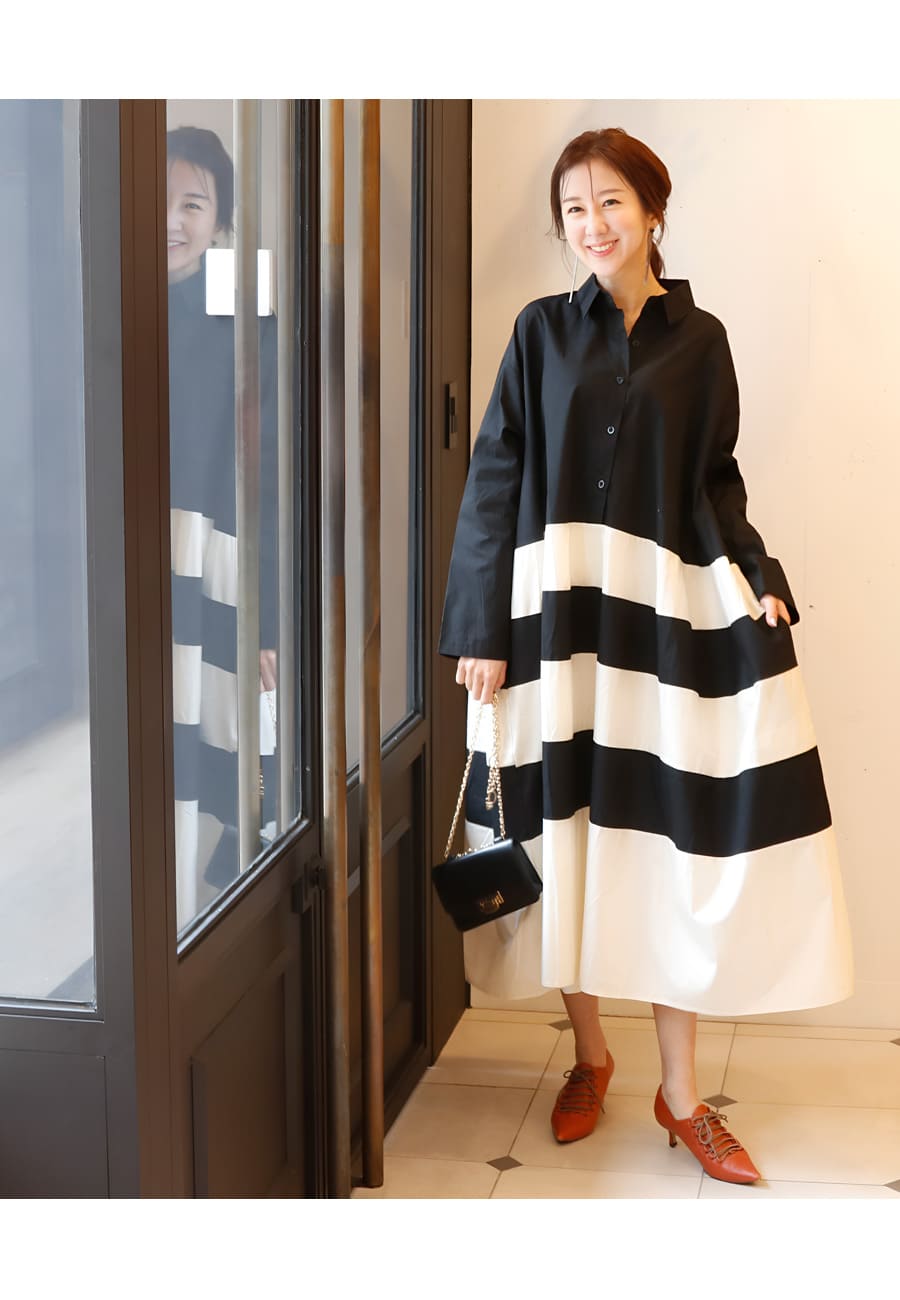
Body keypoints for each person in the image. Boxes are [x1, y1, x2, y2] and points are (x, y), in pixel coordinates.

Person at [438, 127, 853, 1185]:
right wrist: (479, 629)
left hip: (660, 624)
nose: (592, 224)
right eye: (574, 209)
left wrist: (758, 573)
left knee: (675, 843)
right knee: (566, 832)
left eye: (611, 202)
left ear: (653, 211)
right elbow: (494, 478)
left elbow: (717, 479)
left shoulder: (700, 341)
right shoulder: (539, 332)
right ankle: (591, 1057)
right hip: (556, 623)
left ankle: (681, 1095)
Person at [167, 126, 278, 928]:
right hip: (137, 551)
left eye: (193, 204)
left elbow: (261, 470)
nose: (172, 221)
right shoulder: (105, 297)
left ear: (220, 219)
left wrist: (264, 618)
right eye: (160, 200)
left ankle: (203, 919)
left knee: (224, 733)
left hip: (212, 551)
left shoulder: (240, 312)